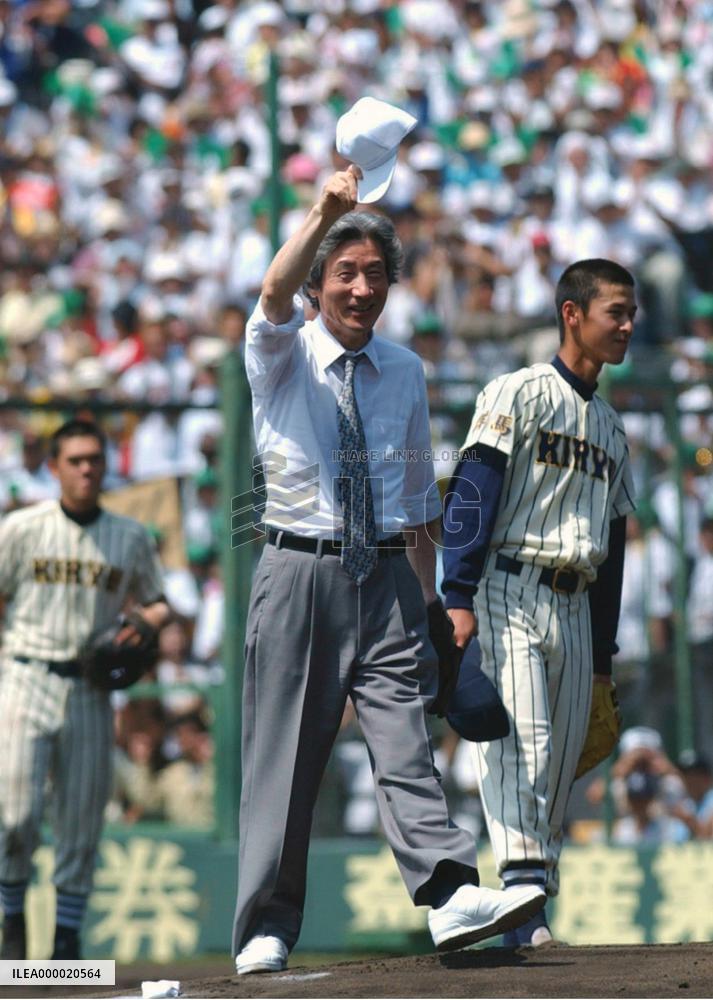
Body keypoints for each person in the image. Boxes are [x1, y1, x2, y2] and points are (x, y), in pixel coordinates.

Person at [231, 165, 544, 975]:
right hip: (298, 570)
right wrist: (326, 209)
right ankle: (266, 924)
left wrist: (444, 599)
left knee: (406, 737)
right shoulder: (280, 352)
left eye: (375, 273)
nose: (361, 288)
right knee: (286, 754)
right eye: (344, 273)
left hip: (388, 579)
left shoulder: (403, 370)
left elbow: (412, 494)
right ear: (316, 286)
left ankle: (446, 896)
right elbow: (269, 291)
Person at [442, 258, 637, 946]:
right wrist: (455, 593)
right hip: (506, 583)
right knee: (521, 737)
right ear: (571, 314)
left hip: (577, 601)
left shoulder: (612, 429)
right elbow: (471, 490)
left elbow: (612, 552)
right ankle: (523, 887)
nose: (626, 324)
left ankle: (527, 906)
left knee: (554, 764)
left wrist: (604, 659)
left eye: (630, 312)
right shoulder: (516, 392)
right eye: (614, 311)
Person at [0, 419, 171, 960]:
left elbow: (160, 601)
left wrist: (144, 623)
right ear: (53, 467)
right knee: (15, 814)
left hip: (92, 687)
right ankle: (11, 925)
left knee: (81, 816)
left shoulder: (129, 535)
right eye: (75, 460)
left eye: (95, 458)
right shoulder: (23, 528)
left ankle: (66, 945)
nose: (87, 469)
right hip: (26, 673)